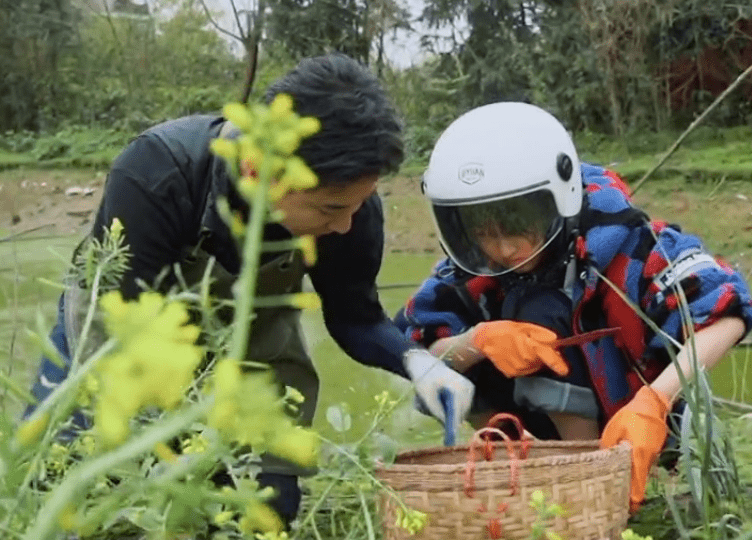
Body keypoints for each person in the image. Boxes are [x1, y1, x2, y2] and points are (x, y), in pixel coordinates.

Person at [24, 53, 475, 527]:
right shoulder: (158, 174)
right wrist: (193, 460)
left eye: (357, 205)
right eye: (328, 210)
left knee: (270, 508)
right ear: (262, 172)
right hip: (117, 340)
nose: (346, 224)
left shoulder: (351, 207)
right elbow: (120, 337)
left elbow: (355, 319)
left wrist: (420, 364)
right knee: (61, 490)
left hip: (256, 352)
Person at [394, 101, 752, 512]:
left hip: (631, 420)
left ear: (559, 198)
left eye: (517, 228)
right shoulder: (471, 274)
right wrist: (478, 341)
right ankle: (527, 471)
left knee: (545, 309)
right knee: (456, 360)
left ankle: (602, 476)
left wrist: (655, 401)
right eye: (484, 235)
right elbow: (413, 346)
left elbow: (726, 307)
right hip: (524, 435)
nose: (505, 248)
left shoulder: (628, 246)